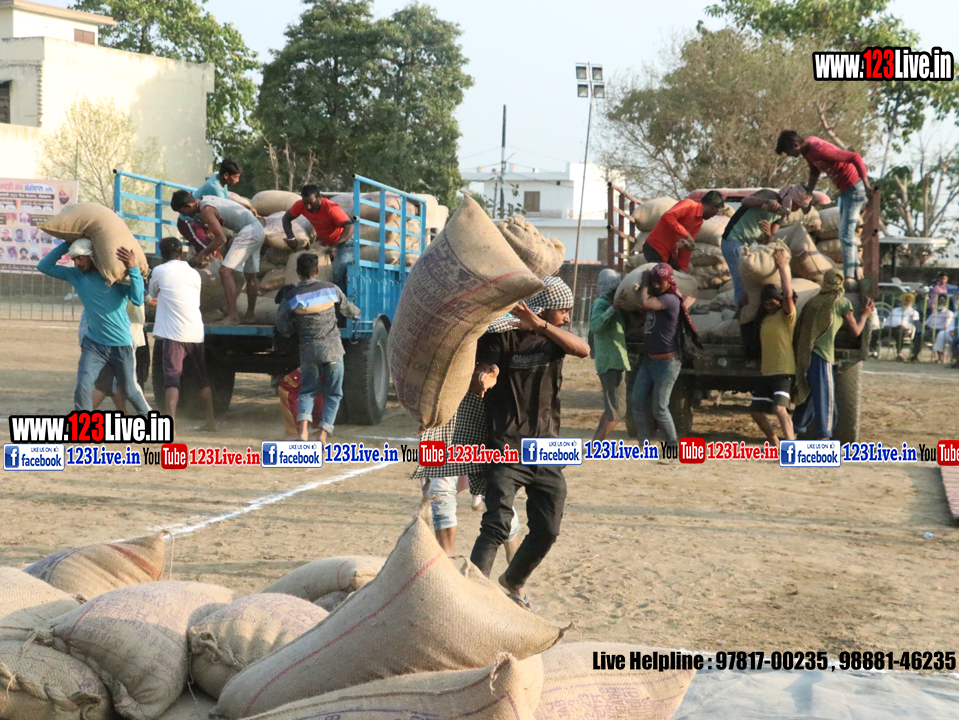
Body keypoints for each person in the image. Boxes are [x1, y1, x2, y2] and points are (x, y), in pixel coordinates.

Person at [469, 277, 589, 609]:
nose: (567, 317)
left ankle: (513, 581)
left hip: (547, 449)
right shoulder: (502, 337)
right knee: (496, 525)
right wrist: (484, 378)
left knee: (548, 530)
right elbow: (483, 370)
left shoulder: (554, 339)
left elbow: (584, 350)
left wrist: (541, 326)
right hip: (506, 446)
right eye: (563, 311)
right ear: (545, 308)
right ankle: (472, 595)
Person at [38, 239, 151, 413]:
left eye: (80, 258)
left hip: (121, 345)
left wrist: (133, 268)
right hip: (94, 344)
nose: (77, 263)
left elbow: (137, 299)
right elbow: (43, 266)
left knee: (130, 390)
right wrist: (67, 244)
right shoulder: (76, 275)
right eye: (74, 259)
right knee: (83, 386)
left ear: (92, 256)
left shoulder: (114, 277)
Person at [276, 252, 361, 443]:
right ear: (317, 271)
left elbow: (282, 323)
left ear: (297, 272)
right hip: (333, 351)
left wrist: (290, 330)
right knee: (334, 393)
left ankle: (303, 433)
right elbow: (348, 310)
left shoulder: (292, 296)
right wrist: (358, 314)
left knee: (307, 391)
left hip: (309, 352)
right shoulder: (331, 289)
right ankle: (323, 434)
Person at [775, 131, 873, 286]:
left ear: (795, 145)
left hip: (854, 187)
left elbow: (855, 157)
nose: (789, 155)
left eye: (788, 152)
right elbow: (814, 171)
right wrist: (808, 193)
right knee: (845, 232)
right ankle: (853, 272)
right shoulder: (807, 151)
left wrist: (867, 186)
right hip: (845, 190)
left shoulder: (819, 149)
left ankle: (850, 276)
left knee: (846, 234)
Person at [793, 269, 874, 439]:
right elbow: (856, 332)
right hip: (822, 357)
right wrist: (865, 316)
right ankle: (824, 437)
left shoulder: (813, 302)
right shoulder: (841, 302)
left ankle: (793, 432)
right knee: (826, 398)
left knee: (807, 395)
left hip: (804, 355)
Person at [148, 237, 215, 430]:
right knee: (202, 379)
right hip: (195, 331)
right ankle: (211, 422)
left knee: (172, 380)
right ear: (181, 253)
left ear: (162, 255)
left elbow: (152, 294)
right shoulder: (194, 273)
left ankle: (170, 425)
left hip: (173, 334)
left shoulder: (159, 270)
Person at [171, 191, 265, 325]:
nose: (185, 215)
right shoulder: (207, 199)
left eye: (183, 212)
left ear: (189, 206)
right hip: (257, 229)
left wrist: (203, 253)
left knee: (225, 271)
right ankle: (250, 315)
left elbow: (221, 239)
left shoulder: (206, 210)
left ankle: (233, 316)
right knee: (250, 275)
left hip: (249, 231)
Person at [624, 263, 690, 451]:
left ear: (670, 282)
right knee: (637, 401)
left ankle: (672, 446)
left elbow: (644, 303)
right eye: (655, 281)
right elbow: (640, 319)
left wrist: (645, 281)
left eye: (661, 282)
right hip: (649, 360)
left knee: (659, 408)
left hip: (667, 362)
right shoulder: (657, 299)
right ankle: (643, 444)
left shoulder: (671, 299)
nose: (657, 285)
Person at [722, 184, 815, 307]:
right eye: (796, 205)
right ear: (789, 198)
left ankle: (752, 308)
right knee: (742, 281)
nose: (796, 209)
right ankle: (740, 311)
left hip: (750, 243)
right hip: (733, 239)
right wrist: (767, 202)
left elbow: (771, 237)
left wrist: (768, 233)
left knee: (755, 279)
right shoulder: (768, 195)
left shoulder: (782, 213)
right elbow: (745, 201)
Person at [749, 250, 796, 444]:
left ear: (779, 301)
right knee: (756, 412)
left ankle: (790, 446)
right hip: (766, 372)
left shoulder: (786, 316)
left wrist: (782, 267)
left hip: (783, 371)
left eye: (772, 303)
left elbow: (788, 295)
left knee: (779, 409)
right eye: (765, 304)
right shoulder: (765, 319)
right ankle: (775, 442)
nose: (768, 306)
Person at [177, 158, 254, 257]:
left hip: (202, 219)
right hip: (189, 221)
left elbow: (227, 200)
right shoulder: (215, 188)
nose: (237, 180)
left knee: (213, 245)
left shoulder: (221, 181)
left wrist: (246, 206)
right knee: (207, 248)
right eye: (235, 177)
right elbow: (224, 210)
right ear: (226, 176)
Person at [283, 185, 354, 291]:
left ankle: (340, 300)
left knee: (338, 275)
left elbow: (349, 227)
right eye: (305, 203)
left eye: (311, 203)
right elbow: (286, 218)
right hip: (325, 243)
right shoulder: (300, 205)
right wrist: (291, 238)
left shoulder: (331, 208)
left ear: (320, 197)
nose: (308, 207)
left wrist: (335, 246)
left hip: (343, 242)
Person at [589, 268, 630, 441]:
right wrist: (612, 308)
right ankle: (595, 446)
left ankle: (594, 444)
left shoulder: (612, 305)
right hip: (610, 363)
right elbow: (595, 326)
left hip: (616, 362)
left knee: (611, 409)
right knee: (617, 412)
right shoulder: (602, 303)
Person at [643, 191, 726, 273]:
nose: (713, 215)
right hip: (655, 248)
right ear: (711, 206)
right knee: (661, 276)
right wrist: (686, 234)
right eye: (716, 211)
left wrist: (683, 269)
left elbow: (686, 248)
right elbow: (668, 216)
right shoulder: (689, 205)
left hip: (669, 254)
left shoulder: (698, 222)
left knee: (683, 272)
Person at [870, 293, 919, 361]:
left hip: (903, 330)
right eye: (904, 300)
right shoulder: (895, 310)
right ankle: (874, 352)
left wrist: (909, 330)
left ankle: (899, 354)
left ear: (911, 302)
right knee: (875, 333)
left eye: (908, 301)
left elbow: (914, 324)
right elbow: (888, 319)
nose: (906, 302)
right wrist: (885, 325)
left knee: (900, 333)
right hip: (890, 328)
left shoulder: (913, 312)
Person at [911, 295, 954, 362]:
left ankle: (940, 358)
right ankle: (915, 355)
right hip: (930, 330)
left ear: (946, 302)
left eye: (943, 301)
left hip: (939, 331)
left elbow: (947, 326)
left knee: (922, 335)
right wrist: (926, 326)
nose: (941, 302)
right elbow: (926, 323)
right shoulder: (935, 313)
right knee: (918, 333)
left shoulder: (949, 313)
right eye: (940, 301)